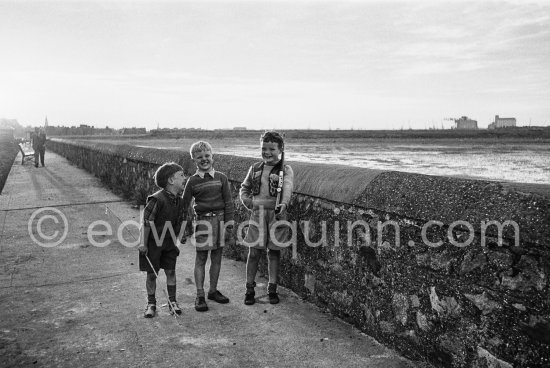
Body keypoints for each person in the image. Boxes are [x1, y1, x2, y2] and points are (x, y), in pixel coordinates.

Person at [240, 131, 294, 305]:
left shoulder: (285, 169)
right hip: (257, 214)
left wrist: (283, 205)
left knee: (274, 253)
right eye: (264, 148)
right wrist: (249, 202)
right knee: (254, 252)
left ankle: (272, 288)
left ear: (280, 149)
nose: (267, 152)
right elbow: (244, 188)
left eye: (272, 149)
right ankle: (249, 288)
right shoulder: (255, 168)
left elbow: (287, 189)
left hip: (277, 215)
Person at [182, 141, 234, 312]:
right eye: (199, 157)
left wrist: (229, 223)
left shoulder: (221, 178)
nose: (204, 159)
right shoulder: (192, 182)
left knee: (217, 258)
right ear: (194, 160)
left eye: (207, 156)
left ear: (212, 157)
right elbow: (184, 208)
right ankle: (200, 295)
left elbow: (228, 202)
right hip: (202, 223)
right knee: (201, 259)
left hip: (219, 221)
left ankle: (213, 291)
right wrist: (184, 229)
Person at [138, 162, 186, 318]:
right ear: (171, 180)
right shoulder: (157, 200)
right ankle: (151, 304)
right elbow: (146, 223)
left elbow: (180, 222)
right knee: (152, 274)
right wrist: (143, 244)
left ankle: (172, 302)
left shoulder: (179, 200)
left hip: (169, 243)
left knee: (171, 271)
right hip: (153, 244)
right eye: (182, 175)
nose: (185, 178)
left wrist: (179, 239)